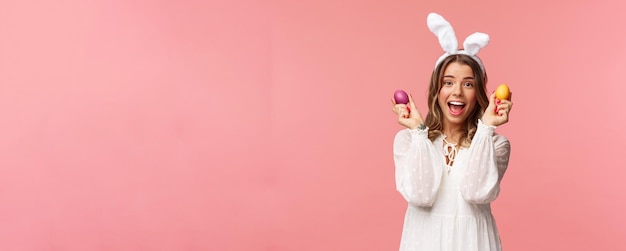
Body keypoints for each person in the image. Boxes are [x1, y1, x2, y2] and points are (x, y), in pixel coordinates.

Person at [391, 13, 513, 251]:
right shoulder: (407, 141)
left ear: (478, 93)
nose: (457, 91)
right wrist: (418, 132)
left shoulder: (496, 145)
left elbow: (476, 192)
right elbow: (420, 195)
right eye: (448, 82)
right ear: (437, 91)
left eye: (468, 84)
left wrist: (486, 128)